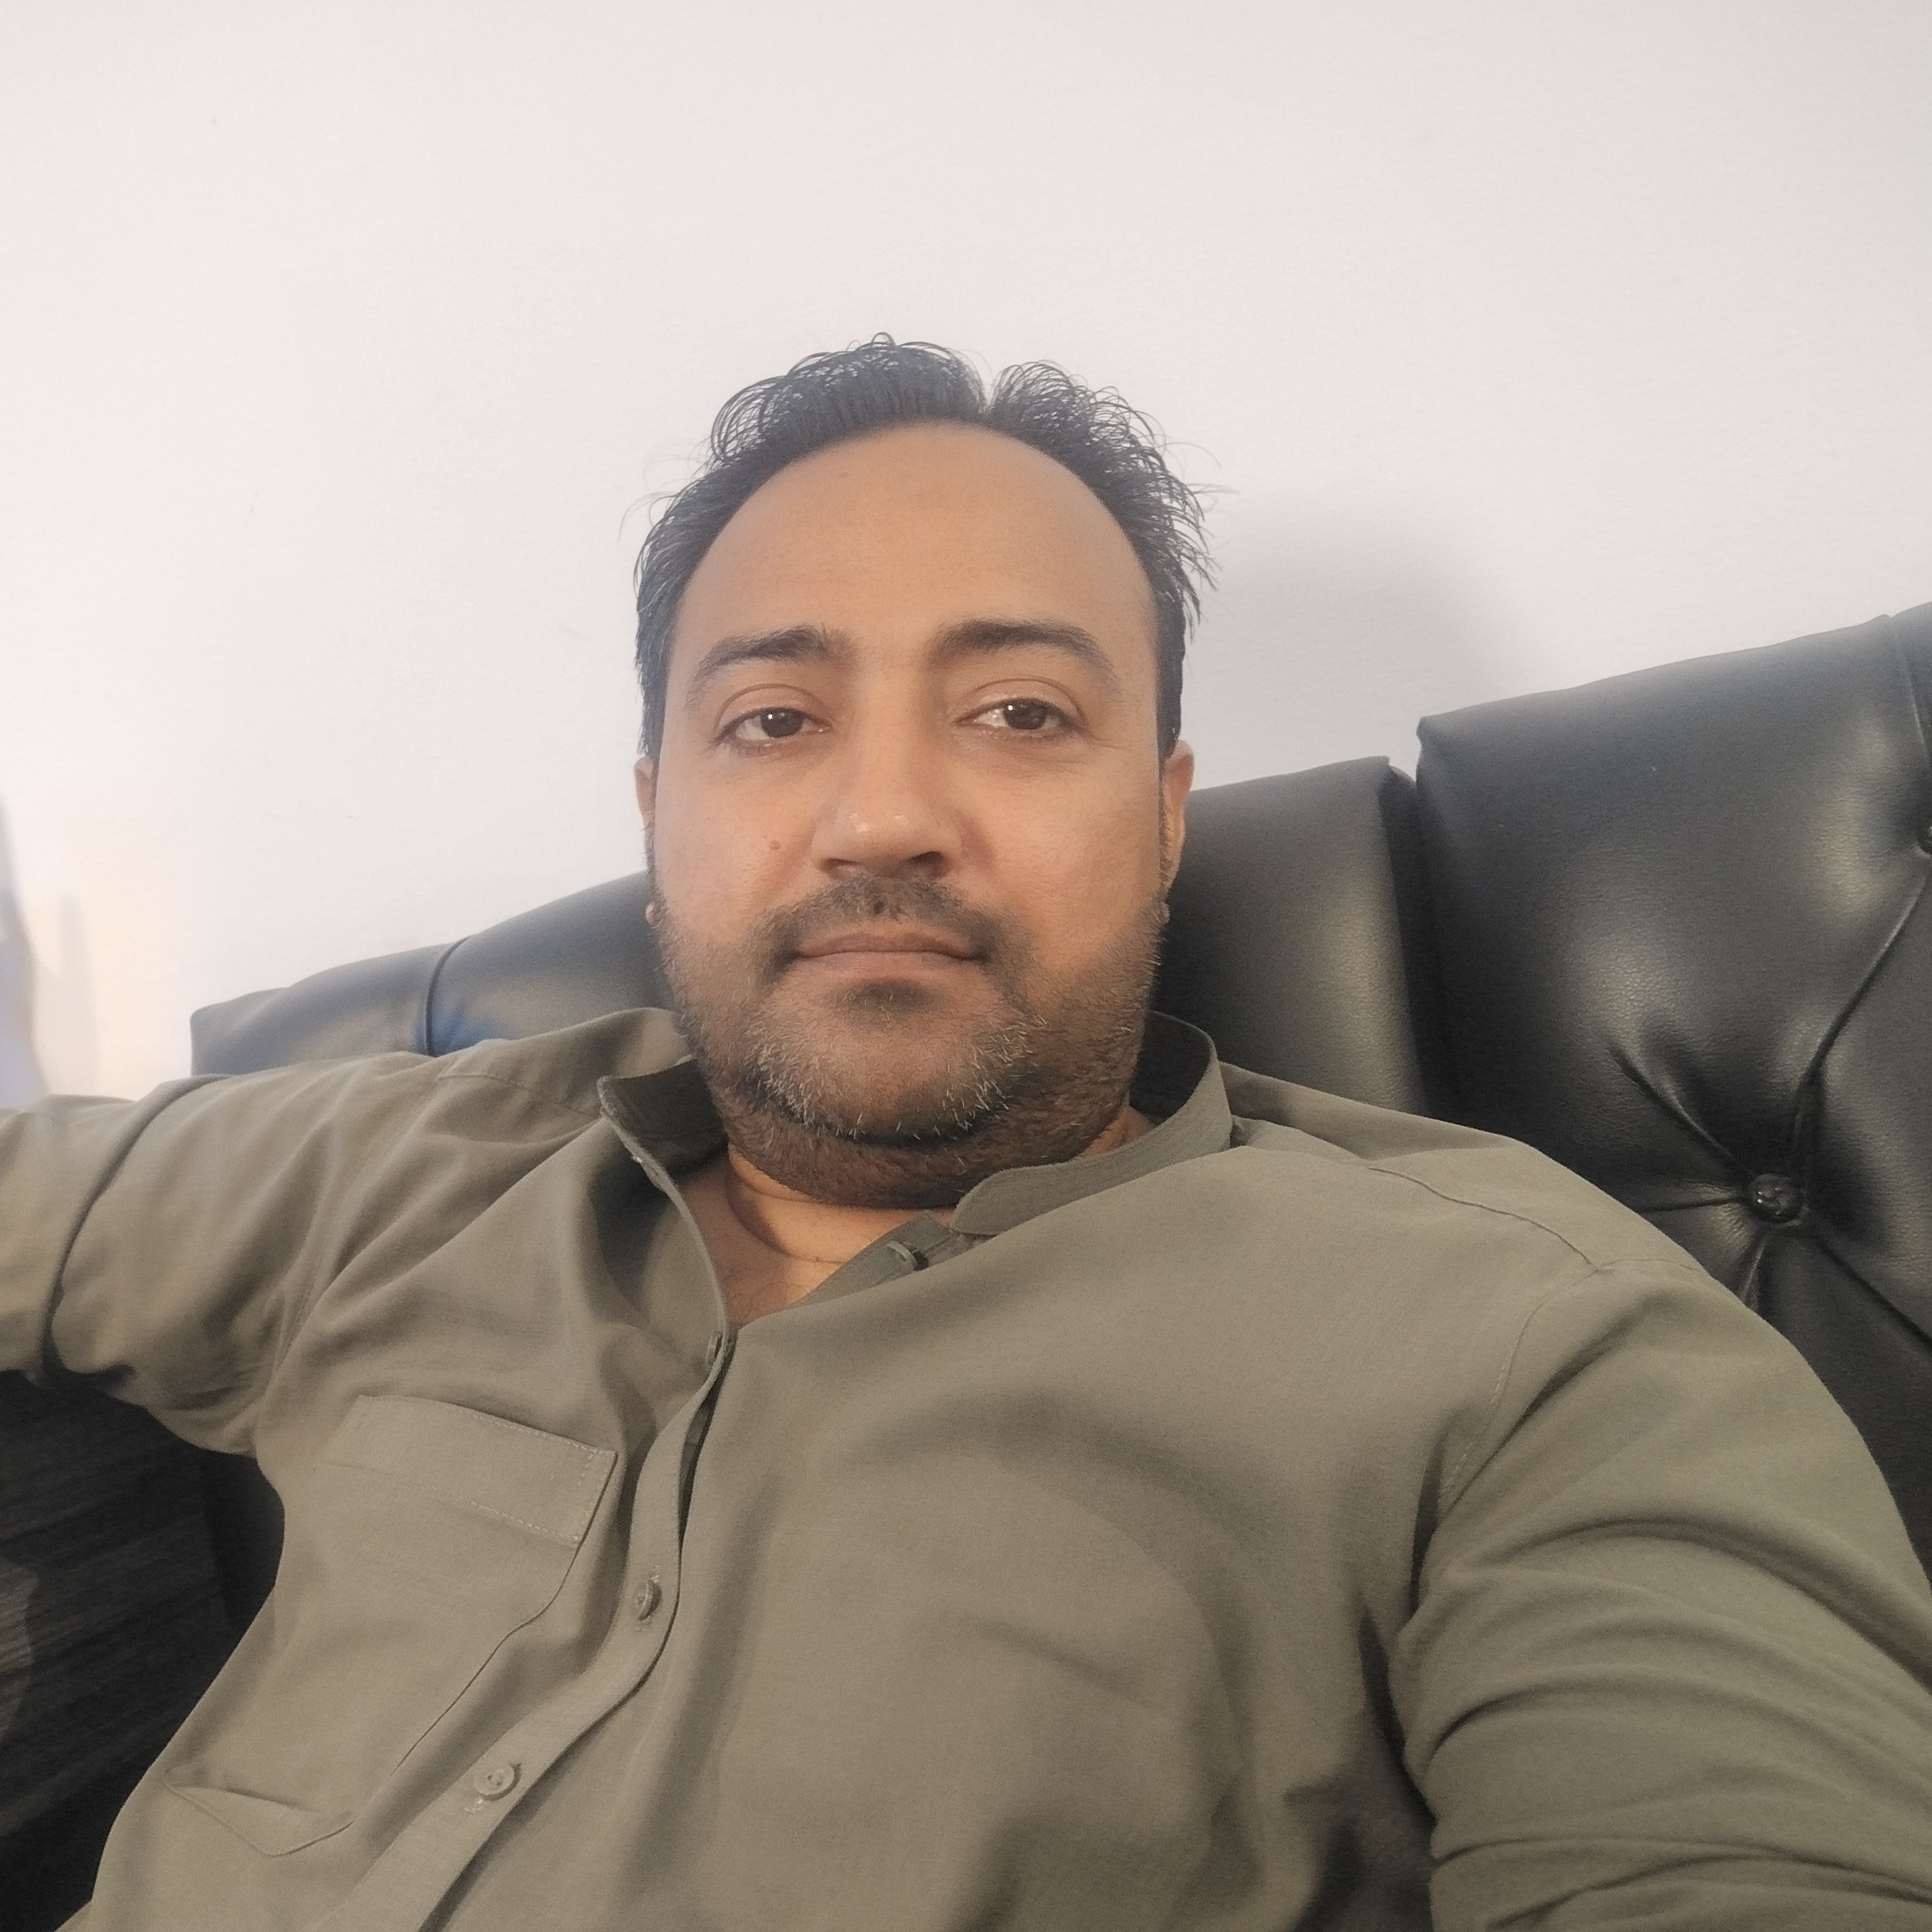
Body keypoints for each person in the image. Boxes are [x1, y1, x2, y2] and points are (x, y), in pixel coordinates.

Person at [4, 340, 1932, 1932]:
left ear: (1165, 814)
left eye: (1018, 712)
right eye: (775, 721)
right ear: (656, 810)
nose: (882, 821)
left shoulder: (1523, 1350)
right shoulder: (396, 1168)